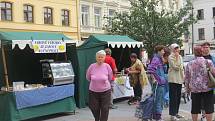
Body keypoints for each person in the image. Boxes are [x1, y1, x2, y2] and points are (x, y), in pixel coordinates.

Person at [185, 46, 215, 121]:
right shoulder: (208, 62)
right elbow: (213, 73)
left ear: (194, 53)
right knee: (209, 107)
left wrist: (187, 89)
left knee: (194, 107)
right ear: (202, 52)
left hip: (195, 89)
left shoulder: (190, 63)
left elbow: (187, 77)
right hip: (207, 88)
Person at [86, 50, 113, 121]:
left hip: (105, 91)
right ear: (96, 58)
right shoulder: (92, 66)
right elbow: (88, 77)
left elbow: (110, 78)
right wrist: (95, 82)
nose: (100, 58)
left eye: (101, 57)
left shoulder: (107, 66)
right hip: (93, 91)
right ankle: (97, 119)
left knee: (105, 108)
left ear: (104, 58)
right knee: (94, 107)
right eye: (98, 57)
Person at [147, 45, 166, 121]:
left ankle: (156, 116)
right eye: (162, 50)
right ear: (159, 51)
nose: (163, 52)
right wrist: (154, 79)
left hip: (160, 82)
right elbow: (151, 69)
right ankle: (158, 117)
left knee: (158, 99)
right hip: (158, 83)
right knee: (158, 100)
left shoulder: (158, 58)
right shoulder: (156, 59)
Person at [168, 43, 185, 121]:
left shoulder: (180, 56)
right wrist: (177, 57)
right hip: (173, 80)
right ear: (172, 49)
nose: (177, 50)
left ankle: (176, 113)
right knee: (173, 98)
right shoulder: (171, 57)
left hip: (179, 79)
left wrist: (183, 78)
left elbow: (181, 67)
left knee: (178, 97)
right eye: (175, 48)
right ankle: (172, 115)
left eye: (178, 48)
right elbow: (176, 67)